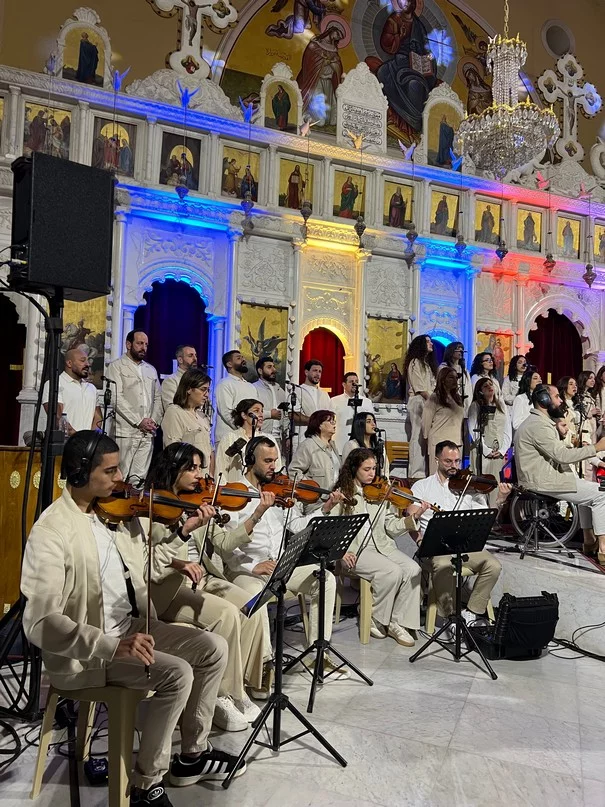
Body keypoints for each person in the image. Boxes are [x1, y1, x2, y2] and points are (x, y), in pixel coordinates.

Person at [21, 432, 243, 807]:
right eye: (110, 471)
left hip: (132, 627)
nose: (122, 477)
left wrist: (179, 532)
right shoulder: (52, 531)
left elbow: (150, 569)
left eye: (120, 466)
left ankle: (191, 756)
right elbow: (41, 622)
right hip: (89, 652)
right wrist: (112, 646)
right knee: (177, 674)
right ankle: (145, 783)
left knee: (212, 647)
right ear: (78, 475)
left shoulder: (119, 515)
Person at [143, 443, 265, 732]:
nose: (200, 474)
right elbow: (147, 553)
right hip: (169, 586)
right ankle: (221, 695)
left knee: (253, 607)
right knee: (226, 615)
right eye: (193, 468)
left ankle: (240, 687)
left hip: (204, 579)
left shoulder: (199, 501)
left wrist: (256, 513)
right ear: (174, 469)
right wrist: (180, 553)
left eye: (200, 467)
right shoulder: (155, 504)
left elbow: (223, 544)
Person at [219, 437, 347, 673]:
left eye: (275, 461)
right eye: (267, 461)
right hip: (247, 570)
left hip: (281, 566)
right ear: (250, 461)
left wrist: (325, 508)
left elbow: (298, 526)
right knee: (255, 593)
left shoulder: (277, 493)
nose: (273, 466)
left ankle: (318, 652)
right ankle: (264, 664)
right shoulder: (234, 494)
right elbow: (226, 544)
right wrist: (252, 566)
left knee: (324, 578)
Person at [409, 441, 509, 632]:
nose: (454, 466)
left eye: (456, 461)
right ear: (437, 460)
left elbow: (485, 519)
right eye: (448, 461)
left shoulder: (470, 486)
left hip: (466, 546)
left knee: (493, 565)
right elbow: (410, 517)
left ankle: (472, 611)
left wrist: (500, 501)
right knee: (444, 565)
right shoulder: (422, 487)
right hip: (436, 548)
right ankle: (451, 616)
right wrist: (419, 535)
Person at [334, 448, 426, 646]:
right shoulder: (343, 494)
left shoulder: (381, 493)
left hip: (382, 547)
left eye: (374, 468)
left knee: (413, 569)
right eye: (366, 469)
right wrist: (342, 552)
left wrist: (413, 518)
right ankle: (376, 616)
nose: (372, 473)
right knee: (392, 571)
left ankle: (396, 621)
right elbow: (333, 528)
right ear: (353, 469)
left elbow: (391, 527)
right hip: (355, 551)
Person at [514, 385, 605, 566]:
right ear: (544, 400)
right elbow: (562, 456)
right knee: (601, 494)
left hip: (545, 477)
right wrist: (597, 448)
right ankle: (603, 548)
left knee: (592, 490)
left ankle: (589, 541)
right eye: (556, 397)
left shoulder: (539, 422)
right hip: (543, 481)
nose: (561, 400)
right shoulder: (538, 425)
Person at [105, 330, 162, 485]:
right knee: (119, 476)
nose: (143, 347)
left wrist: (153, 421)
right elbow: (116, 397)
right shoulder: (116, 366)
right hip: (125, 431)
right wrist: (138, 421)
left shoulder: (150, 370)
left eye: (146, 344)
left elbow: (158, 397)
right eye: (139, 343)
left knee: (139, 478)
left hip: (147, 432)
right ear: (128, 344)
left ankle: (134, 507)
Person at [215, 398, 282, 482]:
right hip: (236, 489)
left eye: (262, 411)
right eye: (256, 411)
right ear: (244, 415)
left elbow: (277, 467)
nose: (261, 415)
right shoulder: (230, 438)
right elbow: (221, 468)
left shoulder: (268, 438)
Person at [468, 378, 511, 505]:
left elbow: (507, 429)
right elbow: (473, 430)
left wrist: (503, 450)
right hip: (482, 452)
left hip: (498, 452)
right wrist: (486, 450)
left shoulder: (501, 405)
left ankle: (495, 514)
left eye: (490, 384)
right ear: (480, 391)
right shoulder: (475, 406)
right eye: (485, 386)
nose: (489, 387)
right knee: (482, 486)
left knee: (496, 485)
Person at [162, 370, 213, 474]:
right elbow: (173, 451)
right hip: (185, 475)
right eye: (203, 390)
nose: (206, 395)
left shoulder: (203, 417)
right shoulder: (175, 412)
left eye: (208, 390)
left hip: (204, 478)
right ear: (189, 389)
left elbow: (210, 451)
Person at [42, 347, 101, 434]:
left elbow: (98, 417)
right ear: (69, 363)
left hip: (89, 444)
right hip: (66, 442)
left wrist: (92, 438)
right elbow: (57, 418)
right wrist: (76, 436)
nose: (87, 364)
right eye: (82, 360)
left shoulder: (91, 388)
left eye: (88, 361)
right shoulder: (55, 384)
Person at [289, 410, 340, 508]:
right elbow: (294, 471)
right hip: (316, 503)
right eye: (330, 421)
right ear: (319, 425)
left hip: (333, 500)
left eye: (334, 421)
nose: (334, 424)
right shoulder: (308, 446)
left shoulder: (333, 446)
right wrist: (310, 488)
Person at [403, 334, 437, 479]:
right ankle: (416, 474)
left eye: (431, 341)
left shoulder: (427, 364)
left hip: (429, 402)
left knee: (428, 438)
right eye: (427, 342)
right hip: (419, 402)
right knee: (418, 438)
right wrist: (434, 402)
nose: (431, 344)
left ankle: (429, 473)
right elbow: (420, 388)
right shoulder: (415, 362)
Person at [422, 367, 465, 475]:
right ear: (442, 379)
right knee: (437, 476)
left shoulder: (457, 399)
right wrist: (427, 439)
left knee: (454, 479)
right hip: (439, 443)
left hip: (456, 442)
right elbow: (426, 422)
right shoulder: (435, 398)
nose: (455, 380)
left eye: (456, 377)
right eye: (451, 377)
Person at [214, 350, 258, 443]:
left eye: (243, 357)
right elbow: (227, 412)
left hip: (249, 436)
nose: (243, 360)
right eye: (238, 358)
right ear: (229, 364)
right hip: (228, 437)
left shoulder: (251, 386)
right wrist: (243, 430)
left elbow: (256, 410)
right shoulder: (224, 383)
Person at [330, 371, 374, 455]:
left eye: (356, 382)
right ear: (344, 384)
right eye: (351, 382)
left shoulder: (367, 402)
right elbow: (330, 422)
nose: (355, 384)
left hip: (360, 445)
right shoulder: (334, 401)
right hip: (340, 444)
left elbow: (371, 422)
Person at [294, 359, 331, 450]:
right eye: (315, 371)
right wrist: (315, 422)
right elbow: (294, 414)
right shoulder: (298, 391)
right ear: (306, 372)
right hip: (302, 437)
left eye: (320, 371)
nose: (318, 374)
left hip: (322, 438)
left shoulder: (324, 394)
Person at [341, 412, 389, 478]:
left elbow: (385, 468)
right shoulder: (351, 445)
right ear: (360, 425)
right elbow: (348, 470)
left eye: (373, 421)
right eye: (368, 422)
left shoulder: (378, 445)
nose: (373, 424)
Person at [252, 355, 287, 442]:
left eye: (274, 367)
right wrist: (270, 414)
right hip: (261, 435)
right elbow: (251, 412)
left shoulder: (280, 390)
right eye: (269, 367)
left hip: (279, 437)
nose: (274, 370)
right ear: (260, 371)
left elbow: (286, 414)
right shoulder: (253, 388)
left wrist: (286, 435)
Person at [161, 344, 198, 412]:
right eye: (190, 356)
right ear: (180, 360)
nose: (195, 359)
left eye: (195, 355)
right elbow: (171, 409)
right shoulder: (170, 381)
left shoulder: (198, 381)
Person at [438, 341, 472, 416]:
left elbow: (468, 387)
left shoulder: (464, 370)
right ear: (451, 351)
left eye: (462, 349)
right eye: (458, 348)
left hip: (464, 403)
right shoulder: (443, 367)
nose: (461, 351)